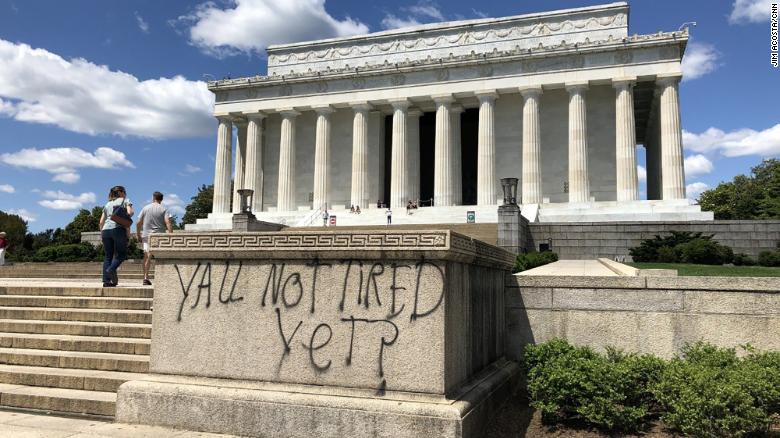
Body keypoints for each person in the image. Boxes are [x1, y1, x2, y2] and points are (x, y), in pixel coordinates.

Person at [98, 186, 133, 287]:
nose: (125, 194)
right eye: (125, 192)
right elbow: (130, 213)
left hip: (105, 230)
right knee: (121, 255)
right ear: (121, 192)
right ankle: (111, 269)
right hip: (118, 229)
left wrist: (102, 234)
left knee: (108, 256)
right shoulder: (125, 200)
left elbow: (101, 222)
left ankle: (106, 281)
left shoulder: (107, 204)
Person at [136, 192, 172, 286]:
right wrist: (171, 235)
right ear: (161, 199)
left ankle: (145, 277)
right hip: (159, 236)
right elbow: (168, 222)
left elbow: (138, 222)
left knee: (147, 256)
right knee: (162, 256)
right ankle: (163, 278)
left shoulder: (145, 208)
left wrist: (138, 234)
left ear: (153, 198)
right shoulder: (164, 209)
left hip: (146, 235)